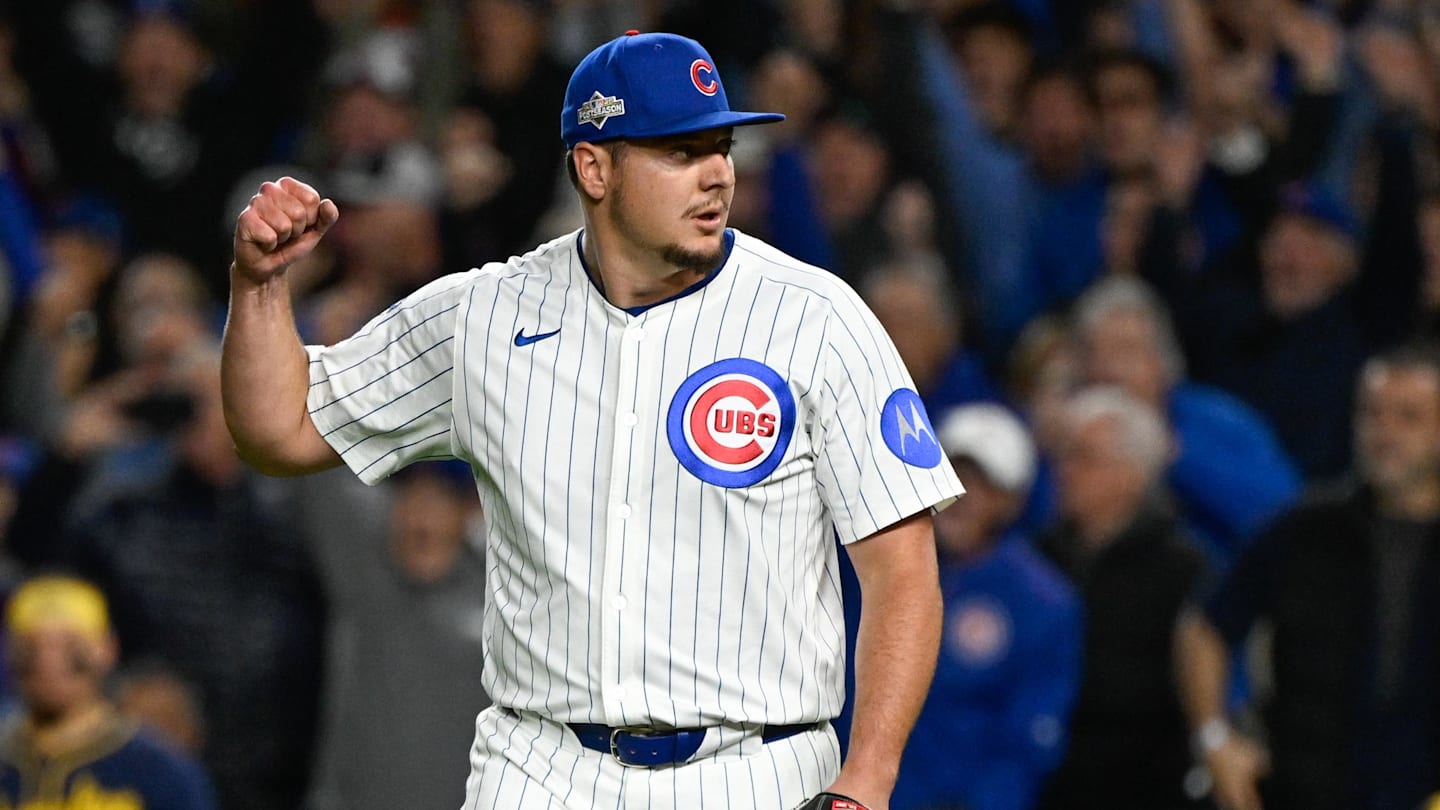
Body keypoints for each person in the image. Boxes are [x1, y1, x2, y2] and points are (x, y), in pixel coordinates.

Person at [221, 30, 962, 810]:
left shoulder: (816, 318)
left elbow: (901, 573)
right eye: (680, 152)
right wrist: (260, 287)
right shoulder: (484, 316)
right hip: (542, 767)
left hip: (758, 770)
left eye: (722, 146)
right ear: (594, 166)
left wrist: (868, 778)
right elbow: (280, 430)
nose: (716, 174)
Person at [1176, 345, 1440, 810]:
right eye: (1372, 414)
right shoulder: (1306, 528)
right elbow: (1205, 627)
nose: (1385, 433)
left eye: (1409, 418)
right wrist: (1215, 738)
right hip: (1302, 791)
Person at [892, 403, 1081, 810]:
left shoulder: (1042, 603)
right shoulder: (870, 569)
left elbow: (1026, 746)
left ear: (1013, 503)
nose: (962, 496)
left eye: (985, 485)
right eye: (954, 474)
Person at [1034, 386, 1208, 810]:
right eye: (1063, 456)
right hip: (1040, 776)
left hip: (1143, 783)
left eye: (1084, 458)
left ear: (1133, 474)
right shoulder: (1036, 559)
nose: (1065, 471)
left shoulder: (1183, 571)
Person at [0, 575, 217, 810]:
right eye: (31, 646)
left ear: (108, 648)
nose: (48, 662)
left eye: (71, 646)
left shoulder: (157, 770)